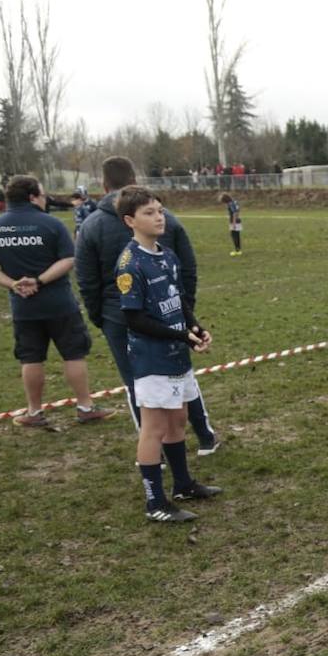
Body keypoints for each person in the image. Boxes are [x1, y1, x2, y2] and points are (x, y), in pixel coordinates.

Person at [75, 156, 220, 453]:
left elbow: (86, 280)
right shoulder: (161, 218)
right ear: (134, 180)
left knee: (142, 383)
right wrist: (184, 309)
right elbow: (189, 269)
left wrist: (100, 316)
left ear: (104, 185)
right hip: (146, 316)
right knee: (178, 375)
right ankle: (196, 439)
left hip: (126, 317)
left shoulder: (90, 226)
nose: (157, 216)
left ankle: (164, 448)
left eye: (157, 212)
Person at [114, 185, 221, 523]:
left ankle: (183, 485)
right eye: (149, 213)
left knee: (178, 419)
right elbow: (134, 319)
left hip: (177, 354)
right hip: (152, 359)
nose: (159, 217)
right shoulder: (130, 264)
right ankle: (155, 502)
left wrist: (195, 328)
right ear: (130, 221)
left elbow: (179, 299)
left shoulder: (168, 254)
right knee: (154, 427)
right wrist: (180, 335)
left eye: (160, 211)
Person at [0, 175, 117, 427]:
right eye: (42, 195)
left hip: (23, 306)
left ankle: (34, 412)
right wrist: (39, 281)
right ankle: (85, 407)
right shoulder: (52, 224)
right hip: (59, 303)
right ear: (32, 197)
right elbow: (69, 259)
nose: (45, 199)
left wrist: (13, 284)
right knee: (73, 355)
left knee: (30, 359)